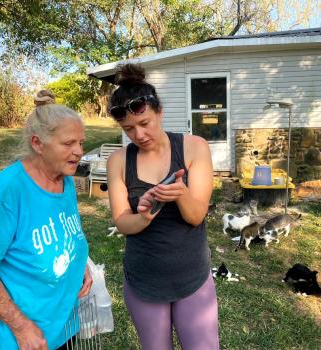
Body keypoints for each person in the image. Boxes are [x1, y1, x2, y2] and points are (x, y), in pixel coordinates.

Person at [107, 64, 219, 350]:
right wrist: (143, 216)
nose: (138, 134)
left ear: (160, 112)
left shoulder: (194, 147)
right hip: (144, 282)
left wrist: (180, 194)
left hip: (192, 278)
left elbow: (195, 217)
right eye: (128, 129)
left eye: (144, 123)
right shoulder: (119, 161)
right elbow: (122, 221)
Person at [0, 90, 92, 350]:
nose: (78, 152)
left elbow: (66, 233)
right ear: (37, 143)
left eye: (81, 142)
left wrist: (81, 263)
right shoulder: (6, 192)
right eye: (68, 144)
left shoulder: (64, 181)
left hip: (62, 325)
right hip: (20, 338)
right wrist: (22, 327)